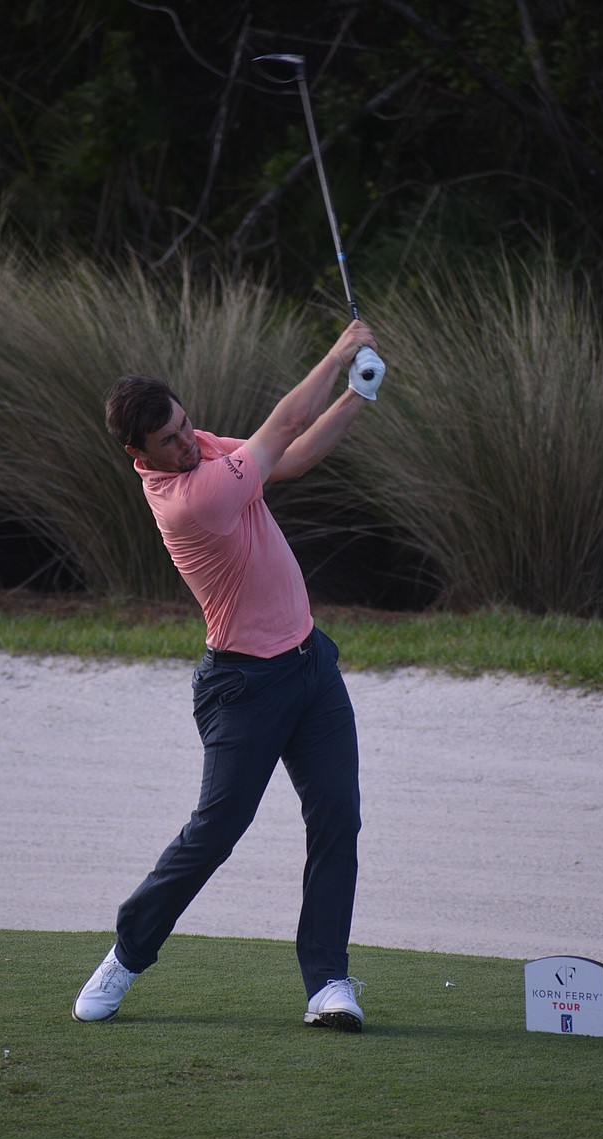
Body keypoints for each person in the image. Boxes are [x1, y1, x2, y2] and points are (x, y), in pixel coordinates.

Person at [72, 318, 385, 1032]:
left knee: (338, 814)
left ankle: (328, 983)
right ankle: (126, 954)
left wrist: (358, 394)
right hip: (244, 687)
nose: (187, 441)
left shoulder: (205, 449)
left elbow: (291, 458)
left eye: (185, 425)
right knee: (216, 831)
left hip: (310, 665)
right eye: (169, 440)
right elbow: (284, 425)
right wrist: (338, 353)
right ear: (138, 455)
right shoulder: (192, 499)